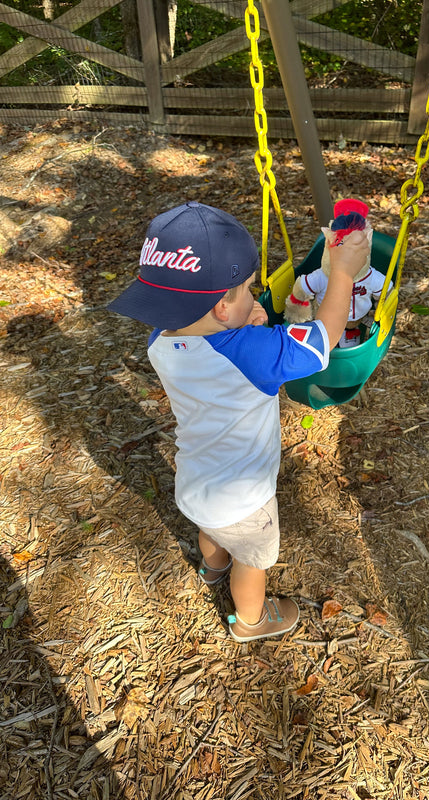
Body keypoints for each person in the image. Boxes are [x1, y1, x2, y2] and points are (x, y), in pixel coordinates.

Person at [107, 201, 369, 642]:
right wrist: (342, 272)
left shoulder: (160, 338)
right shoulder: (253, 353)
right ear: (224, 306)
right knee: (254, 559)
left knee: (211, 530)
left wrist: (241, 318)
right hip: (244, 500)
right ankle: (252, 621)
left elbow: (206, 330)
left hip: (194, 483)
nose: (254, 294)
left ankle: (213, 567)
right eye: (249, 288)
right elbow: (322, 340)